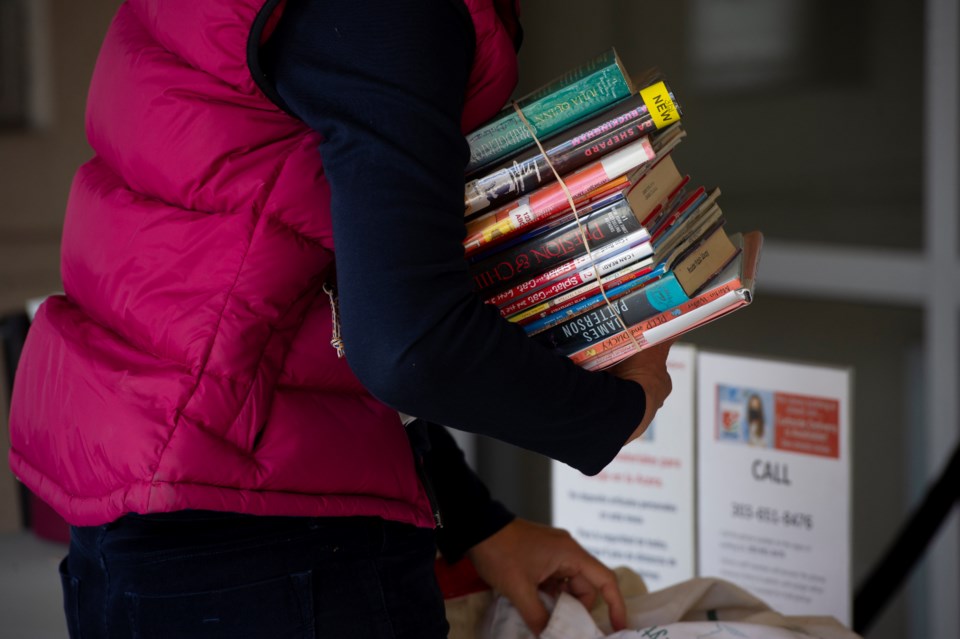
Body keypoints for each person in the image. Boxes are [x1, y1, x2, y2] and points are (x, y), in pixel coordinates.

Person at [7, 0, 673, 637]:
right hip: (266, 551)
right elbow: (408, 345)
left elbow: (312, 308)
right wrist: (616, 409)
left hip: (154, 511)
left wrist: (475, 520)